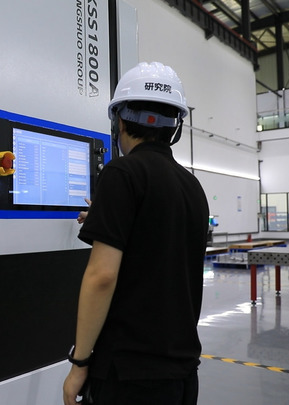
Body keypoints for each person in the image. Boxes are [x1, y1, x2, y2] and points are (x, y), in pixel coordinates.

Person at [63, 62, 209, 405]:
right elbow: (157, 240)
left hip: (131, 376)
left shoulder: (122, 173)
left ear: (120, 121)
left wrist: (79, 363)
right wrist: (106, 217)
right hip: (182, 371)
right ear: (175, 126)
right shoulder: (192, 186)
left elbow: (102, 277)